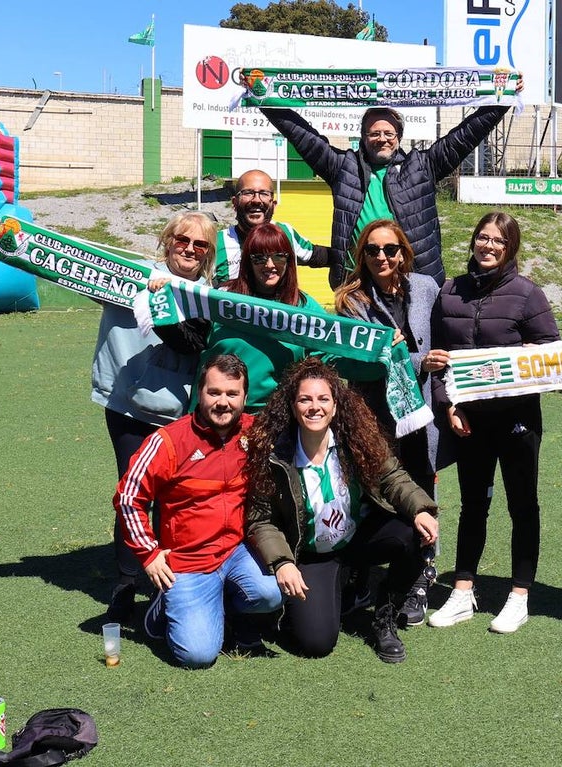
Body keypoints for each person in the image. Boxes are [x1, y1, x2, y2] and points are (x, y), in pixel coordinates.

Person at [245, 358, 439, 663]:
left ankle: (384, 615)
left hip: (356, 538)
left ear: (335, 405)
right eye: (305, 399)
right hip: (311, 553)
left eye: (323, 399)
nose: (314, 407)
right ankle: (342, 586)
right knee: (316, 643)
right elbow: (261, 519)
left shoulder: (356, 438)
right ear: (292, 406)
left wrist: (420, 509)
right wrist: (282, 562)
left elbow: (392, 478)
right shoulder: (275, 453)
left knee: (412, 533)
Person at [426, 211, 559, 634]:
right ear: (473, 241)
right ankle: (463, 590)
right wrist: (449, 405)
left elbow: (549, 353)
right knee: (472, 506)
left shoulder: (527, 294)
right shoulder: (449, 293)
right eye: (483, 238)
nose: (488, 246)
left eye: (498, 241)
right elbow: (439, 360)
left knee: (522, 506)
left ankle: (519, 595)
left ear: (510, 248)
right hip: (470, 422)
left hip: (518, 421)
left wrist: (520, 361)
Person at [259, 78, 523, 287]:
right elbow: (302, 136)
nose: (382, 139)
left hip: (413, 283)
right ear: (363, 137)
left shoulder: (423, 167)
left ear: (399, 137)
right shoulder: (342, 167)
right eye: (374, 133)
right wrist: (263, 97)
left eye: (389, 133)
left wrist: (501, 101)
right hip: (356, 284)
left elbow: (465, 136)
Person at [115, 354, 283, 668]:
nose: (223, 402)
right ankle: (162, 606)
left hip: (236, 551)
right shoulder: (168, 441)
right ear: (199, 392)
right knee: (197, 655)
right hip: (188, 561)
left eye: (232, 394)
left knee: (273, 593)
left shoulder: (254, 432)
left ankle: (221, 607)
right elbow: (129, 498)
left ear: (245, 397)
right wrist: (149, 555)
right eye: (214, 392)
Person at [93, 211, 216, 622]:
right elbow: (79, 273)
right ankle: (126, 584)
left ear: (209, 254)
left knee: (173, 500)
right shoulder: (132, 276)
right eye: (183, 240)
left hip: (178, 417)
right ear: (167, 241)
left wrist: (162, 301)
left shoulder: (209, 297)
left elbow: (191, 342)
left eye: (200, 245)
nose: (190, 250)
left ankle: (169, 581)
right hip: (128, 408)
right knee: (133, 494)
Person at [333, 218, 449, 625]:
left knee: (422, 491)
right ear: (361, 255)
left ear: (404, 252)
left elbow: (445, 335)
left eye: (390, 249)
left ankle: (420, 577)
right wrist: (417, 360)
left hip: (421, 418)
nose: (381, 257)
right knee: (371, 497)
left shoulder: (426, 288)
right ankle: (360, 576)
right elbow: (363, 363)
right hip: (374, 417)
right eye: (372, 250)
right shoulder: (351, 301)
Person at [198, 222, 326, 412]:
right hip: (217, 412)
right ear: (247, 262)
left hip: (274, 418)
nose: (269, 265)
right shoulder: (223, 299)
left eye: (279, 257)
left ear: (289, 260)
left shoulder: (305, 307)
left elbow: (332, 352)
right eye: (259, 258)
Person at [213, 168, 332, 285]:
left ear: (273, 205)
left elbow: (317, 255)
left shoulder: (285, 232)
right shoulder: (215, 243)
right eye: (248, 193)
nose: (256, 200)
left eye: (264, 193)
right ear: (234, 203)